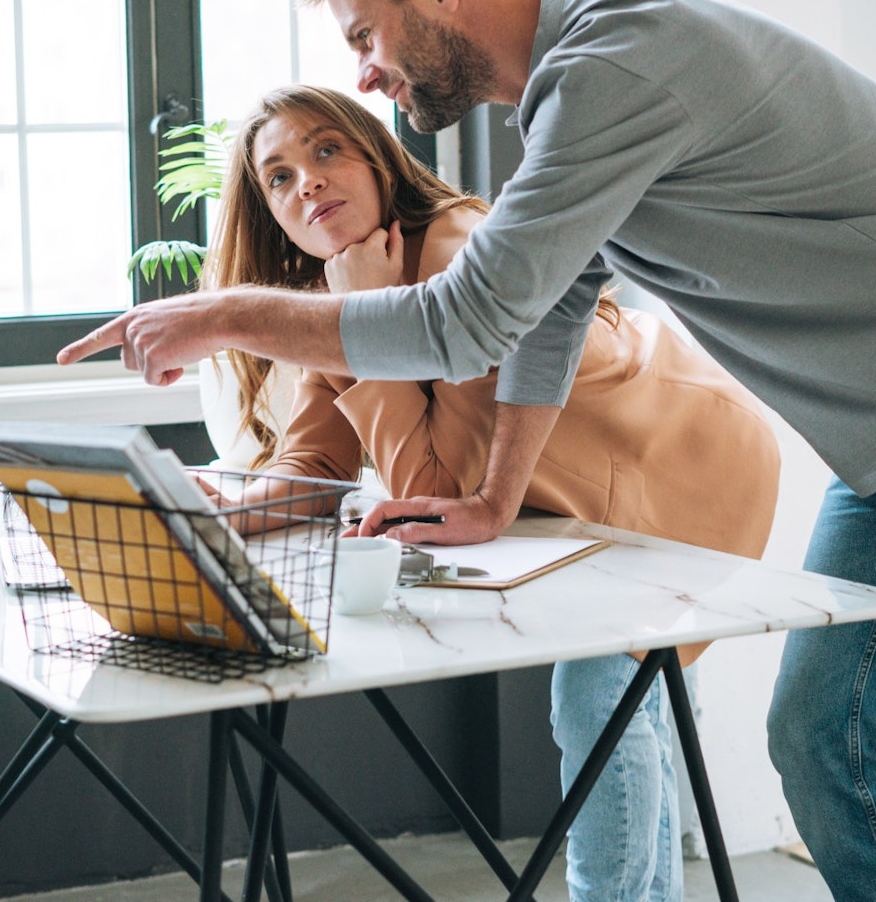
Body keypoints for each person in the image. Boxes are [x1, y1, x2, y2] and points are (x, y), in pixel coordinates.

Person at [58, 0, 876, 901]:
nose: (369, 75)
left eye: (364, 37)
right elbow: (557, 298)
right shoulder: (586, 43)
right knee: (817, 738)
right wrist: (493, 498)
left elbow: (467, 319)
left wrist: (216, 314)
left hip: (776, 448)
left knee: (686, 709)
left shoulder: (614, 63)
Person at [201, 83, 779, 902]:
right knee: (621, 700)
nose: (309, 183)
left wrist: (366, 312)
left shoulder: (456, 251)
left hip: (682, 457)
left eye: (326, 150)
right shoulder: (336, 291)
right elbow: (312, 466)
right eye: (280, 178)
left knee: (600, 691)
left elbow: (444, 488)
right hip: (575, 498)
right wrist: (226, 512)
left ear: (378, 157)